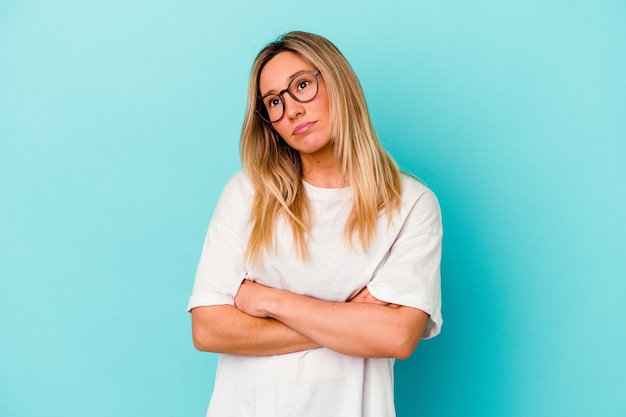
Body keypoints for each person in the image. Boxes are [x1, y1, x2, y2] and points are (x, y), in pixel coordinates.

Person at [187, 31, 443, 417]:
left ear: (339, 82)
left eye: (302, 85)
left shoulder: (411, 205)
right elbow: (208, 329)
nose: (291, 110)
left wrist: (268, 300)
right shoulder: (247, 193)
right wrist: (350, 318)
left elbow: (397, 335)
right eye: (274, 101)